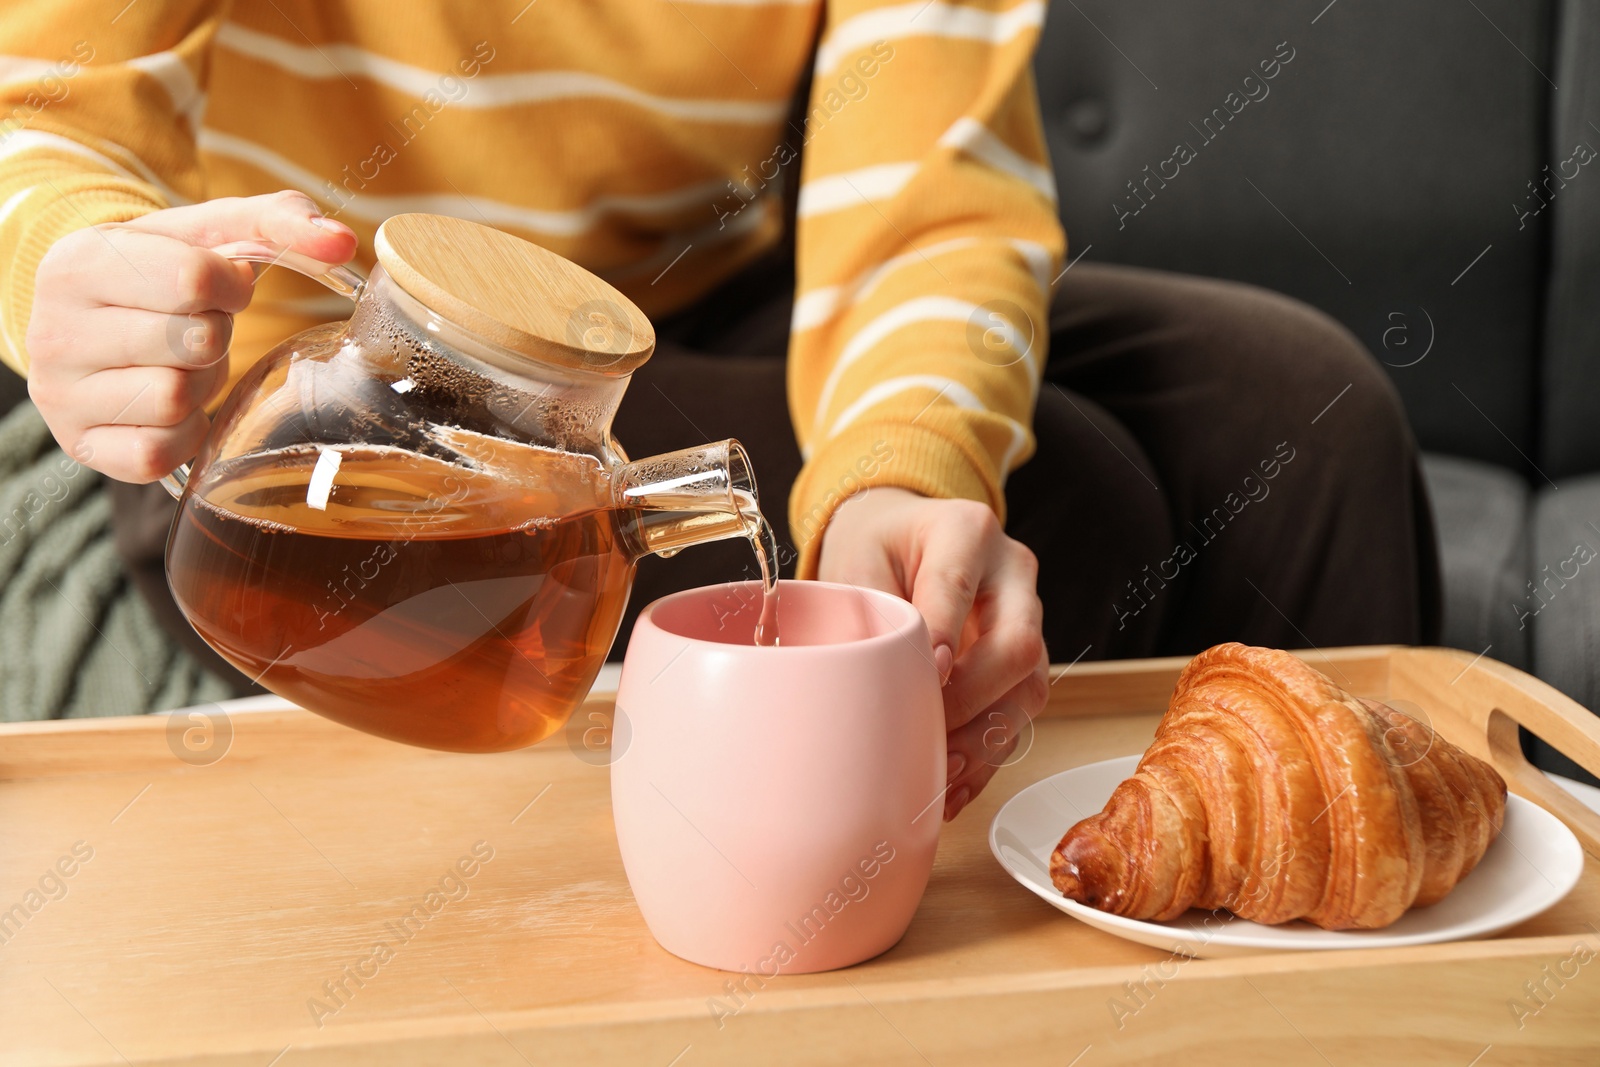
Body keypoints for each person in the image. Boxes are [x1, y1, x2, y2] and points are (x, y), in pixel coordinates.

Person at [0, 3, 1436, 821]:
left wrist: (897, 473)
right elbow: (49, 112)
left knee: (1308, 415)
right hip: (310, 383)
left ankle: (1366, 939)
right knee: (1086, 494)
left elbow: (925, 208)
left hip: (680, 312)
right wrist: (71, 264)